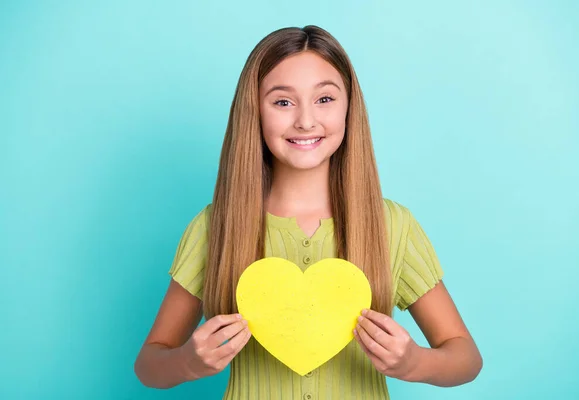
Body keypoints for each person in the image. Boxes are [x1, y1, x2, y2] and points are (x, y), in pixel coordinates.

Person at [134, 25, 482, 399]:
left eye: (325, 99)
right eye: (283, 102)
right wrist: (189, 361)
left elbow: (465, 357)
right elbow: (149, 365)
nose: (305, 120)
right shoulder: (214, 227)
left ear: (350, 106)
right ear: (255, 111)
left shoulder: (391, 225)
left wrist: (414, 363)